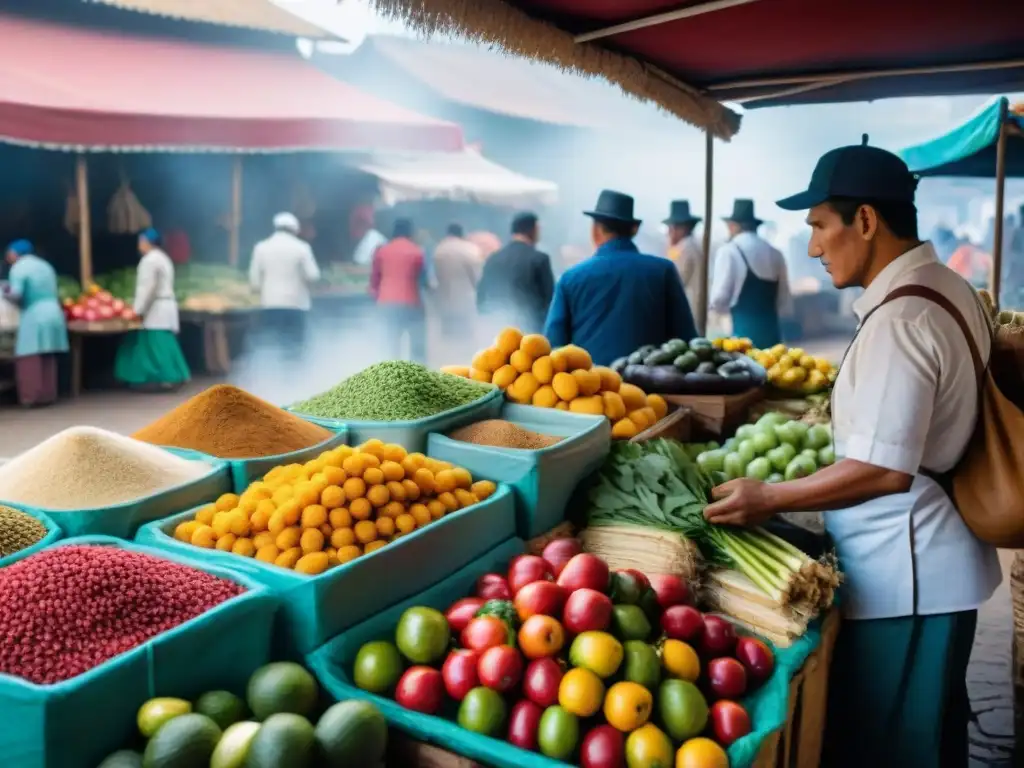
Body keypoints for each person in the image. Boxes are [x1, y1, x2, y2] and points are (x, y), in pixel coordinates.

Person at [703, 142, 1001, 767]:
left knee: (897, 749)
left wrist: (771, 496)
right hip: (933, 567)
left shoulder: (903, 320)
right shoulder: (945, 286)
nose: (812, 247)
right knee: (935, 738)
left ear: (865, 220)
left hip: (910, 580)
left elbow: (884, 469)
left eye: (818, 226)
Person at [544, 190, 697, 365]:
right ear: (634, 230)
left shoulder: (571, 278)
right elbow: (687, 340)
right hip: (651, 388)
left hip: (592, 387)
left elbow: (553, 347)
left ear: (595, 230)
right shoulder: (663, 271)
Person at [708, 199, 793, 348]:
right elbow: (784, 301)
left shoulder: (729, 251)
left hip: (742, 340)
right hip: (773, 340)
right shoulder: (775, 253)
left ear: (733, 226)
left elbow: (718, 299)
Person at [114, 228, 190, 389]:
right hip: (164, 304)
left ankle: (168, 378)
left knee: (158, 344)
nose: (139, 245)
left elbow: (147, 288)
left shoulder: (149, 260)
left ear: (147, 243)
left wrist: (138, 309)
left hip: (156, 307)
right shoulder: (163, 258)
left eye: (141, 241)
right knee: (162, 343)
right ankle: (163, 377)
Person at [2, 240, 68, 406]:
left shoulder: (19, 267)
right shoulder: (45, 265)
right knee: (47, 355)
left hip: (35, 314)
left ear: (14, 253)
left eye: (9, 253)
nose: (7, 257)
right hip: (54, 311)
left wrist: (5, 292)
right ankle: (48, 395)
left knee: (29, 356)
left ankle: (31, 397)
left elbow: (16, 294)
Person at [249, 212, 321, 357]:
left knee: (272, 346)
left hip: (270, 304)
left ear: (275, 227)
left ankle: (274, 377)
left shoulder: (261, 247)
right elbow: (313, 275)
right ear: (295, 229)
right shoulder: (302, 247)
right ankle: (293, 377)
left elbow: (254, 280)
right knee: (294, 349)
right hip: (296, 305)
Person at [477, 212, 555, 336]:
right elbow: (550, 300)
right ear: (533, 230)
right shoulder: (539, 259)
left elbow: (481, 296)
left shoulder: (493, 258)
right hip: (530, 334)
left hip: (498, 331)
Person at [370, 218, 426, 363]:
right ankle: (417, 378)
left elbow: (375, 280)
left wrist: (377, 299)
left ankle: (393, 378)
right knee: (417, 345)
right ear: (410, 232)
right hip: (410, 303)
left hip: (386, 303)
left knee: (391, 344)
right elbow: (423, 281)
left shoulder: (381, 251)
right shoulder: (417, 251)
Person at [431, 223, 482, 357]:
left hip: (444, 301)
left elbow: (435, 278)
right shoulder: (470, 249)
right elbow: (477, 278)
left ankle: (447, 366)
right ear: (462, 233)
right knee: (465, 340)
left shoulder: (439, 249)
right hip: (465, 301)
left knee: (448, 339)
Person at [663, 200, 704, 310]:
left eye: (672, 227)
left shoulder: (685, 248)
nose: (669, 232)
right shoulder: (690, 246)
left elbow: (674, 280)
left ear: (683, 228)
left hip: (686, 307)